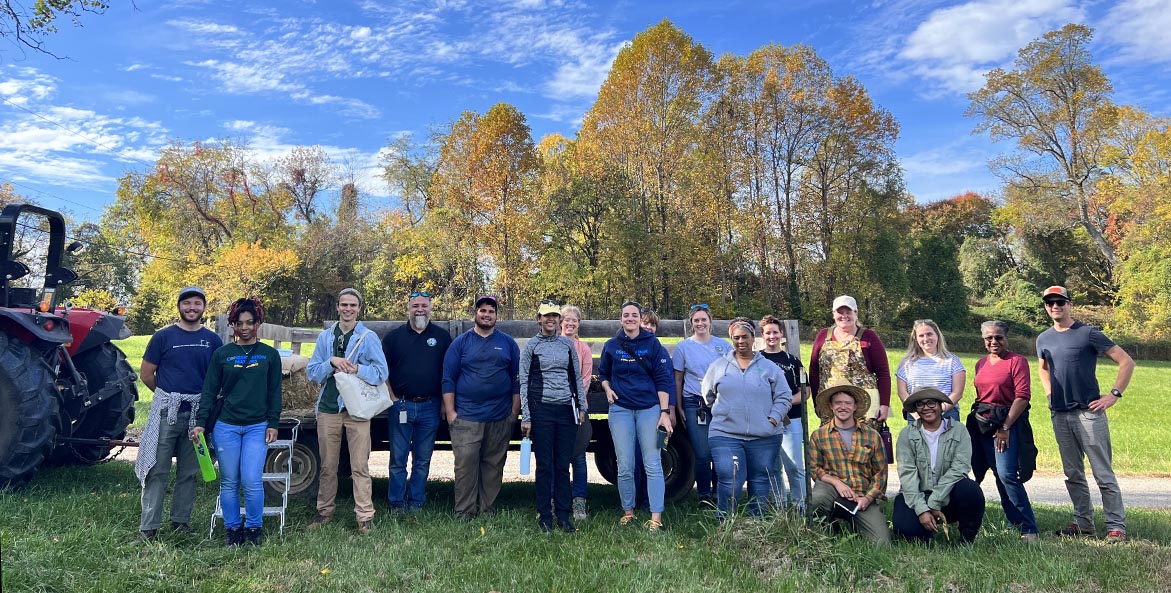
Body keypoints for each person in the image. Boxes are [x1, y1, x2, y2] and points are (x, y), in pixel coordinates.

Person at [1037, 286, 1135, 542]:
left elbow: (1126, 361)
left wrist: (1113, 395)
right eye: (1050, 303)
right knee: (1073, 473)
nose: (1055, 306)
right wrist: (1049, 394)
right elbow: (1043, 369)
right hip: (1060, 414)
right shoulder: (1043, 338)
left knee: (1102, 472)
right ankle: (1083, 522)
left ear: (1070, 304)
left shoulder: (1088, 333)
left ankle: (1115, 526)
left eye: (1060, 302)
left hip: (1089, 413)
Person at [191, 297, 283, 547]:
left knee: (251, 479)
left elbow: (275, 392)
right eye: (239, 323)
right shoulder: (222, 354)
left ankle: (254, 528)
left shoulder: (269, 355)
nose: (244, 328)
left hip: (257, 426)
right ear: (233, 325)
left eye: (249, 323)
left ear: (257, 324)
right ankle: (232, 529)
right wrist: (200, 422)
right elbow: (209, 391)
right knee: (229, 480)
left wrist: (273, 423)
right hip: (226, 426)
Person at [135, 286, 223, 541]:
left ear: (204, 308)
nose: (192, 308)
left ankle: (180, 522)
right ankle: (148, 527)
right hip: (167, 412)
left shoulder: (213, 341)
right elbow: (147, 374)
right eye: (187, 303)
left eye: (197, 303)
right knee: (157, 469)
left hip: (198, 416)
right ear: (179, 306)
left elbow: (217, 377)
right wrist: (167, 397)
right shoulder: (163, 337)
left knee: (189, 471)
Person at [305, 288, 388, 535]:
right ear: (338, 307)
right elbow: (312, 372)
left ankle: (365, 517)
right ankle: (324, 512)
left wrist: (356, 369)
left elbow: (381, 373)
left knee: (359, 465)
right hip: (329, 408)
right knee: (328, 465)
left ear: (359, 309)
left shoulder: (368, 337)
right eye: (344, 305)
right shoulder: (325, 338)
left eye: (353, 305)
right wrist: (331, 362)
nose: (348, 309)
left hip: (357, 409)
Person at [700, 318, 791, 517]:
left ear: (753, 338)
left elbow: (784, 396)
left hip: (764, 436)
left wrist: (773, 419)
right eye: (736, 338)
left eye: (745, 337)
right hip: (725, 434)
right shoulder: (718, 367)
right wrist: (726, 412)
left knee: (760, 478)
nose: (741, 341)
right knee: (729, 476)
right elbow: (707, 395)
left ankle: (756, 524)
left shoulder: (769, 367)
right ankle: (725, 521)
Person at [442, 295, 520, 521]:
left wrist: (514, 412)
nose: (487, 315)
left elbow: (516, 379)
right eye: (482, 310)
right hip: (466, 416)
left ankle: (487, 509)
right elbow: (448, 378)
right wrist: (450, 412)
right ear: (475, 313)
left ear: (497, 316)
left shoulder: (507, 343)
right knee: (466, 465)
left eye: (491, 311)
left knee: (493, 465)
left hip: (499, 415)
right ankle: (465, 511)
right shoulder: (462, 343)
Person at [599, 301, 674, 531]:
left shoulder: (653, 344)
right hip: (620, 410)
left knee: (652, 463)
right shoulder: (612, 345)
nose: (630, 319)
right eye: (626, 315)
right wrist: (607, 389)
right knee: (624, 464)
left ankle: (656, 517)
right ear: (621, 319)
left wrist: (664, 412)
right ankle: (628, 511)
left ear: (639, 319)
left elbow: (663, 379)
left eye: (634, 315)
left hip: (649, 409)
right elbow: (603, 373)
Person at [968, 320, 1039, 542]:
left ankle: (1029, 528)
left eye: (998, 337)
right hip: (984, 425)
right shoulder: (981, 363)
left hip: (1008, 424)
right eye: (989, 338)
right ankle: (1015, 522)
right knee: (998, 474)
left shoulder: (1016, 361)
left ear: (1006, 338)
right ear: (983, 340)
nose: (994, 341)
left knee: (1008, 474)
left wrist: (1005, 427)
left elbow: (1022, 396)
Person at [382, 290, 453, 513]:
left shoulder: (442, 337)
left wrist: (444, 403)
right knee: (398, 459)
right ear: (408, 309)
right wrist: (392, 397)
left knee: (422, 460)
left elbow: (448, 372)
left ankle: (416, 503)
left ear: (431, 308)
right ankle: (396, 503)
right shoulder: (394, 338)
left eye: (424, 305)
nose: (420, 309)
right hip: (400, 405)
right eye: (415, 306)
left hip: (430, 406)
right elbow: (383, 371)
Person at [520, 300, 587, 532]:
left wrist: (582, 407)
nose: (550, 320)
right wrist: (526, 416)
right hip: (542, 411)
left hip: (566, 411)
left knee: (562, 465)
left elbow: (576, 377)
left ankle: (564, 515)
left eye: (554, 316)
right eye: (546, 316)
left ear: (559, 320)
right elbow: (524, 383)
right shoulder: (531, 347)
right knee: (545, 465)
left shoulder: (566, 345)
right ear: (539, 319)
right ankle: (545, 516)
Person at [893, 387, 985, 544]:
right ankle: (926, 532)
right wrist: (922, 509)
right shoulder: (906, 434)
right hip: (918, 495)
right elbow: (907, 475)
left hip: (948, 493)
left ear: (941, 405)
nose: (926, 407)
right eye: (920, 404)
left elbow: (960, 468)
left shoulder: (959, 430)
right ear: (916, 408)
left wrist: (935, 501)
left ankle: (966, 538)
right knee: (907, 531)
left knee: (971, 490)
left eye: (931, 402)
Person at [808, 382, 890, 545]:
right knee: (816, 500)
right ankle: (828, 527)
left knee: (882, 544)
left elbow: (881, 474)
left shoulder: (872, 436)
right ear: (831, 406)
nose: (842, 407)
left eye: (847, 403)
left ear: (855, 407)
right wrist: (836, 483)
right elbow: (813, 468)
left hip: (861, 495)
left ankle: (854, 521)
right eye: (838, 403)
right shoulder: (819, 435)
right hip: (832, 491)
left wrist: (867, 499)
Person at [673, 303, 733, 505]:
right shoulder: (684, 347)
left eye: (703, 320)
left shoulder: (723, 346)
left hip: (719, 402)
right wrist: (679, 406)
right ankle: (704, 495)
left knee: (719, 449)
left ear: (710, 322)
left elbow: (731, 373)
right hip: (693, 402)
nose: (700, 323)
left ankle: (719, 493)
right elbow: (678, 379)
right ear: (691, 323)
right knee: (701, 451)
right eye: (696, 320)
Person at [809, 296, 891, 422]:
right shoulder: (823, 336)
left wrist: (884, 405)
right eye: (840, 312)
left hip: (867, 405)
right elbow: (814, 371)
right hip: (832, 404)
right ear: (833, 314)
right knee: (831, 440)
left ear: (856, 314)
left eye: (848, 312)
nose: (844, 316)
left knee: (866, 440)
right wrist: (817, 402)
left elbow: (883, 373)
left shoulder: (869, 336)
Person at [759, 314, 806, 512]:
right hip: (764, 421)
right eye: (768, 333)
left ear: (782, 334)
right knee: (772, 468)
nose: (772, 336)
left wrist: (783, 403)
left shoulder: (793, 361)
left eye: (775, 332)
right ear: (762, 335)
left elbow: (805, 392)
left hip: (790, 419)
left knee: (795, 466)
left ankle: (800, 506)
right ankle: (779, 507)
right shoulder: (757, 360)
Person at [896, 319, 966, 423]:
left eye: (929, 334)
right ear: (915, 338)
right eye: (921, 335)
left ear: (937, 335)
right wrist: (916, 414)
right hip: (916, 416)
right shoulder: (906, 363)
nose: (926, 338)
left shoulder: (952, 361)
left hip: (947, 415)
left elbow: (957, 392)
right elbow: (902, 392)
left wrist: (938, 411)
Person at [560, 304, 593, 521]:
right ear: (560, 322)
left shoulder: (583, 349)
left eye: (575, 320)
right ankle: (556, 500)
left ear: (578, 324)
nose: (570, 323)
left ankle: (579, 503)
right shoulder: (552, 344)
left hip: (577, 408)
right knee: (556, 457)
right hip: (555, 408)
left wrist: (575, 401)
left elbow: (586, 379)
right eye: (567, 319)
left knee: (578, 458)